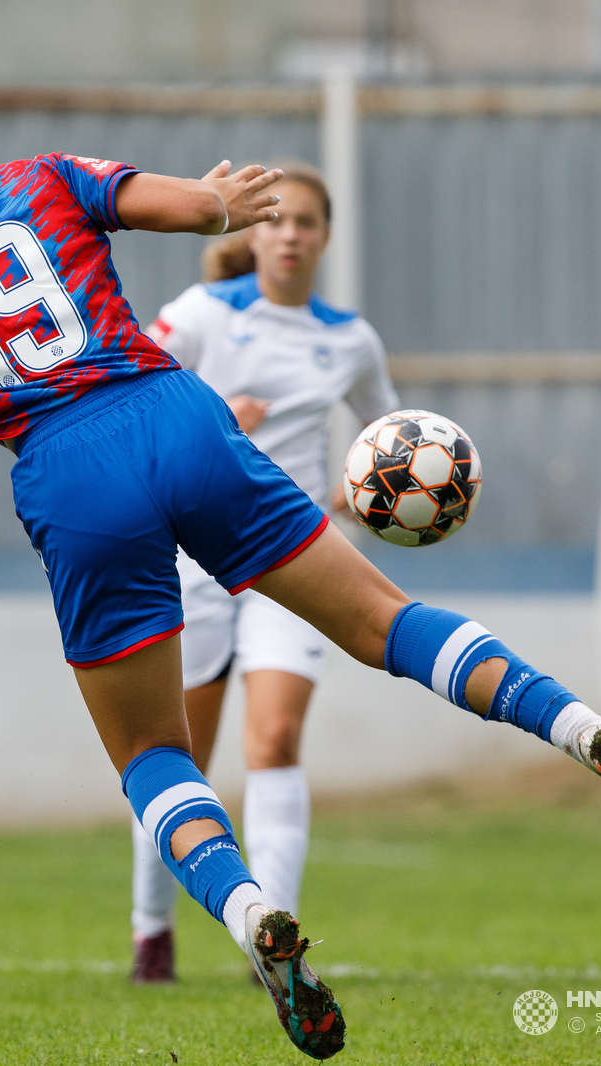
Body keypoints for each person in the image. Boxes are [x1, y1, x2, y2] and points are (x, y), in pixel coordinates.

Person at [0, 121, 601, 1061]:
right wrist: (220, 200)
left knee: (154, 755)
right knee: (385, 622)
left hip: (69, 468)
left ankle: (252, 914)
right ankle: (583, 730)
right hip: (178, 415)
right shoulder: (38, 174)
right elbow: (201, 212)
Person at [128, 162, 399, 984]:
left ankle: (269, 940)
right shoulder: (207, 314)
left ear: (323, 238)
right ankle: (152, 929)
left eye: (307, 223)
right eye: (276, 221)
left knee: (275, 736)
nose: (289, 235)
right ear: (254, 233)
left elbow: (387, 446)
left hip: (293, 559)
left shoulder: (349, 340)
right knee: (182, 755)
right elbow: (127, 380)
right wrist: (213, 416)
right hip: (196, 561)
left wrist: (391, 494)